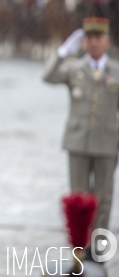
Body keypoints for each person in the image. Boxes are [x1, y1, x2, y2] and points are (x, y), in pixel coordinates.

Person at [43, 17, 119, 255]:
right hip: (77, 141)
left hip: (107, 142)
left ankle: (98, 249)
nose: (94, 43)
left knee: (104, 199)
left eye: (98, 38)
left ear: (107, 41)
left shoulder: (116, 71)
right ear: (84, 43)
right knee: (78, 198)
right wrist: (62, 53)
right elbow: (48, 76)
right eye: (89, 39)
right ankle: (80, 248)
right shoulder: (75, 68)